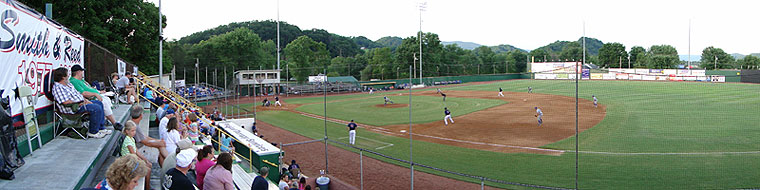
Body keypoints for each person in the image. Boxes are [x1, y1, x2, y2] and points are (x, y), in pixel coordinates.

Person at [51, 67, 108, 138]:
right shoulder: (57, 88)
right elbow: (65, 102)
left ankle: (101, 128)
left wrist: (86, 100)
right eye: (67, 74)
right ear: (63, 77)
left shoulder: (69, 85)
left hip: (80, 104)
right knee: (95, 108)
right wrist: (80, 102)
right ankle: (93, 132)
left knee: (99, 103)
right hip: (73, 109)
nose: (69, 75)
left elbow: (78, 94)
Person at [69, 65, 122, 130]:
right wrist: (95, 94)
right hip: (88, 99)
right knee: (103, 102)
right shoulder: (74, 81)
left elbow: (89, 88)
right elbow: (83, 93)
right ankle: (114, 123)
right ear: (78, 72)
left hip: (94, 96)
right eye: (81, 71)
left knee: (107, 99)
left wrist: (99, 92)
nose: (82, 73)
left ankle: (105, 120)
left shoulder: (81, 80)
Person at [119, 121, 153, 190]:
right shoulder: (128, 141)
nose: (134, 132)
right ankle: (147, 187)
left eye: (135, 131)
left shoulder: (131, 139)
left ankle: (148, 185)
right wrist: (142, 162)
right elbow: (133, 155)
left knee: (149, 164)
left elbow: (137, 151)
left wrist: (145, 160)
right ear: (127, 131)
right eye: (132, 131)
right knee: (148, 170)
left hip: (132, 160)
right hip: (129, 162)